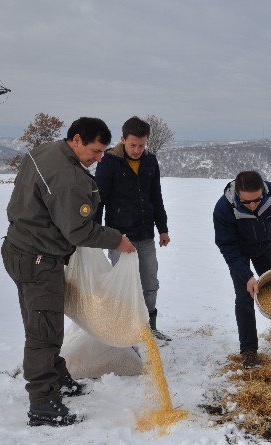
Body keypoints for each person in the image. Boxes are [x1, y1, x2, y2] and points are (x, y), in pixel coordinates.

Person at [2, 117, 136, 427]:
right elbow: (78, 231)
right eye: (95, 150)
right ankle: (43, 403)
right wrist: (118, 240)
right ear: (76, 139)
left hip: (19, 248)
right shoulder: (68, 176)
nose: (99, 158)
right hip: (39, 258)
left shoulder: (44, 151)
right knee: (43, 332)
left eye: (103, 151)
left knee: (42, 322)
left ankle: (58, 379)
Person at [94, 116, 171, 341]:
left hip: (146, 234)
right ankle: (126, 331)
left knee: (150, 283)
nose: (137, 150)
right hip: (118, 237)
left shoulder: (150, 162)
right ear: (123, 140)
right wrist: (96, 235)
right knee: (124, 285)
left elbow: (156, 197)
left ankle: (149, 328)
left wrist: (163, 229)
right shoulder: (108, 162)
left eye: (142, 145)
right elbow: (99, 200)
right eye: (133, 145)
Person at [213, 171, 271, 369]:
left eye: (257, 200)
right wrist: (247, 276)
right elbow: (227, 246)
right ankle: (249, 351)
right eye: (247, 202)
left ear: (263, 191)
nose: (253, 205)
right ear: (237, 194)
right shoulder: (224, 208)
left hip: (264, 245)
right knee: (245, 297)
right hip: (239, 251)